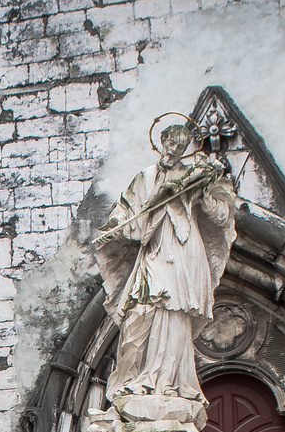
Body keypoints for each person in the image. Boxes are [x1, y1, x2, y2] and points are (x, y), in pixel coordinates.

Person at [94, 119, 237, 405]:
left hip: (184, 251)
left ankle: (171, 381)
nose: (175, 149)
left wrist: (203, 190)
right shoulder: (146, 177)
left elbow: (221, 215)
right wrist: (114, 230)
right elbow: (126, 212)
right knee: (141, 309)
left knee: (176, 311)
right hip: (156, 248)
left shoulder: (193, 175)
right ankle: (136, 378)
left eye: (181, 145)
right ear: (162, 142)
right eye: (171, 143)